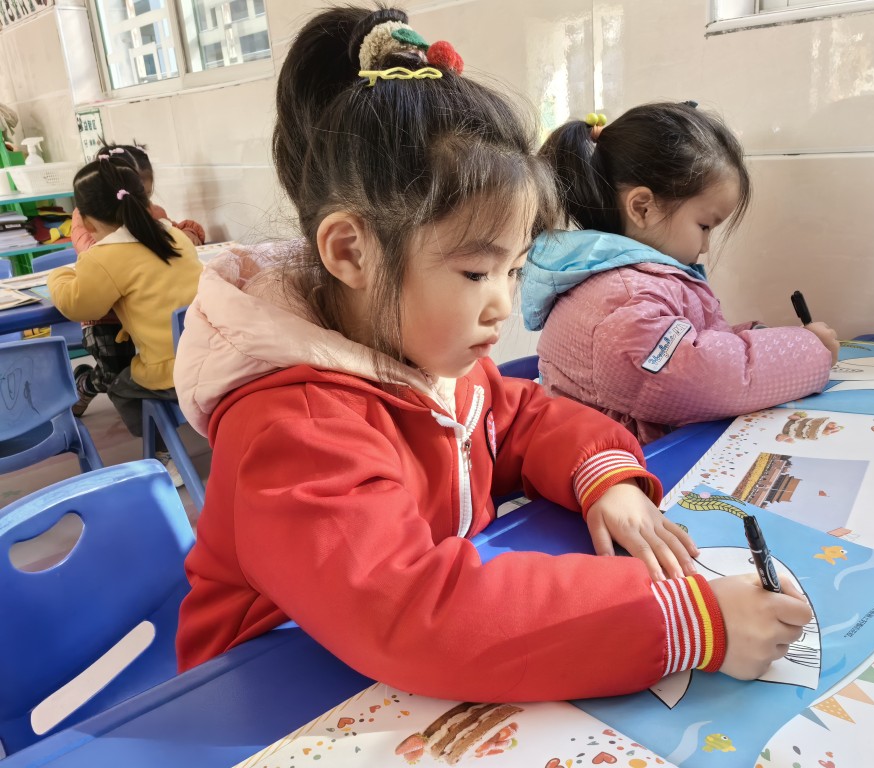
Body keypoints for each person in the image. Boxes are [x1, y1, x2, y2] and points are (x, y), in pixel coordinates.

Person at [172, 5, 811, 702]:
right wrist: (685, 620)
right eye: (477, 272)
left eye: (515, 269)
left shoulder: (427, 356)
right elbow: (417, 615)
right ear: (352, 252)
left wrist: (605, 477)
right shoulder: (291, 429)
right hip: (272, 694)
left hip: (386, 674)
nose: (503, 304)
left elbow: (521, 417)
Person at [521, 104, 840, 445]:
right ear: (643, 207)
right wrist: (806, 350)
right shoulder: (623, 298)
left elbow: (694, 343)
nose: (705, 246)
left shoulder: (630, 282)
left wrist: (761, 337)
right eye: (704, 226)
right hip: (623, 470)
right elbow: (702, 377)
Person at [48, 156, 202, 466]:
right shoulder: (174, 236)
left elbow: (77, 304)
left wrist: (58, 275)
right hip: (208, 353)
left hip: (170, 372)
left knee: (121, 387)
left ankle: (163, 449)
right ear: (146, 202)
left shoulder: (105, 256)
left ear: (86, 222)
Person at [68, 142, 205, 417]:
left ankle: (156, 432)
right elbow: (94, 256)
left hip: (147, 318)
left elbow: (170, 231)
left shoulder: (155, 218)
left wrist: (189, 231)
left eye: (144, 194)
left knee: (129, 377)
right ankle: (86, 385)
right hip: (107, 316)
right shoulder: (90, 229)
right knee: (114, 373)